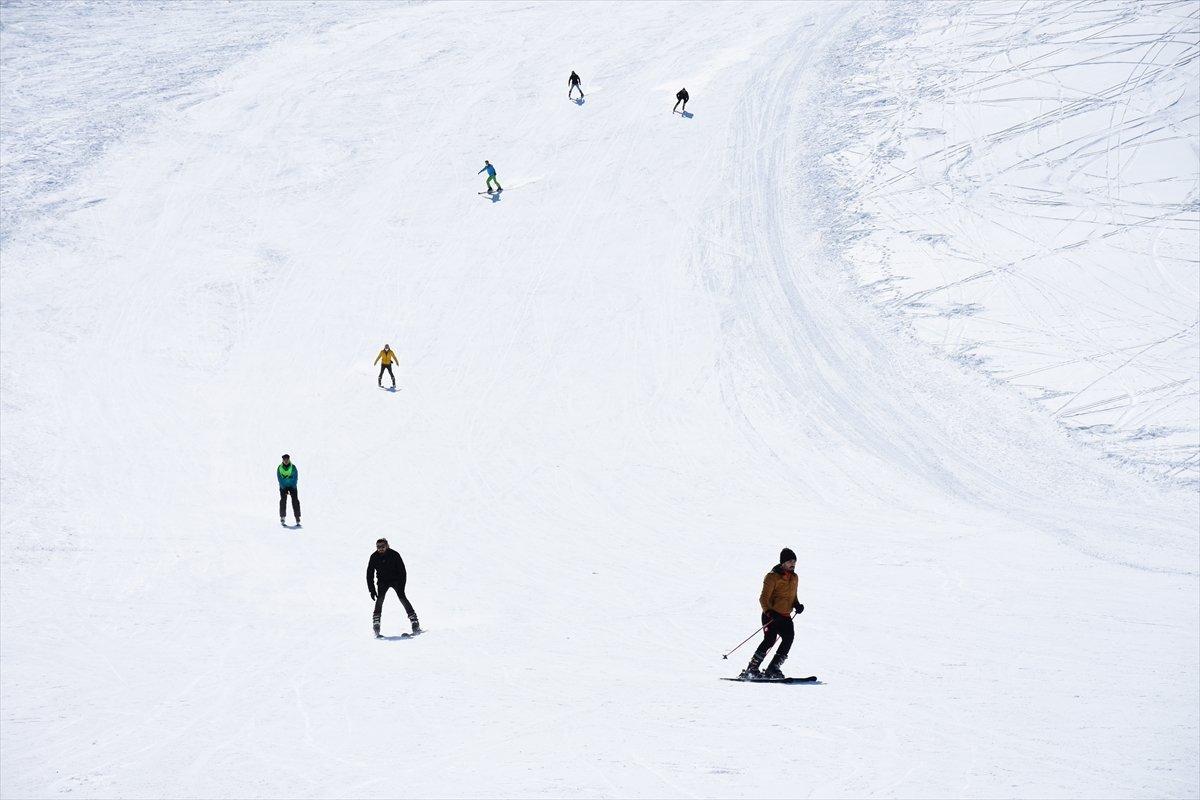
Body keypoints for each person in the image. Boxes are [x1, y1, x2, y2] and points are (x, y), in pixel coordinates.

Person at [741, 547, 804, 680]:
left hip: (786, 616)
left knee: (788, 638)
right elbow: (763, 598)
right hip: (772, 615)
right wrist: (769, 611)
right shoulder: (772, 577)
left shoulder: (794, 577)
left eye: (794, 561)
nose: (793, 564)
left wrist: (797, 605)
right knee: (769, 639)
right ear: (783, 563)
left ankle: (773, 668)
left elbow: (793, 596)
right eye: (789, 561)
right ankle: (751, 669)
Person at [367, 538, 421, 638]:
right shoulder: (374, 557)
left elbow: (403, 571)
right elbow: (369, 574)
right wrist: (372, 590)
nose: (380, 549)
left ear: (387, 545)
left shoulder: (394, 554)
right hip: (383, 581)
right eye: (378, 547)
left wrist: (401, 585)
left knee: (402, 597)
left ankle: (414, 622)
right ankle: (376, 624)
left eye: (382, 546)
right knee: (380, 599)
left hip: (396, 580)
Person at [277, 454, 300, 526]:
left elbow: (295, 477)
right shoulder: (279, 468)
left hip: (292, 486)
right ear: (282, 460)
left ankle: (297, 517)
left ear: (289, 459)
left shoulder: (293, 467)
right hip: (283, 487)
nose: (286, 461)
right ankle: (282, 517)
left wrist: (292, 486)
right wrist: (284, 487)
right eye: (284, 460)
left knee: (295, 501)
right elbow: (279, 479)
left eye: (287, 459)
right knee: (283, 500)